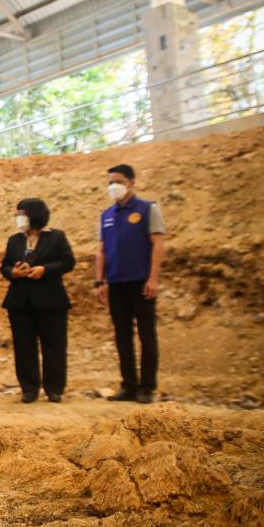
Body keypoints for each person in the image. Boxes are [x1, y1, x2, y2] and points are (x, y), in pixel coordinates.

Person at [95, 163, 165, 404]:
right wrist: (99, 281)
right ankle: (128, 385)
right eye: (110, 182)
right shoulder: (106, 216)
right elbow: (101, 250)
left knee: (147, 335)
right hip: (116, 283)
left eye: (118, 181)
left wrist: (154, 278)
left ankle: (147, 387)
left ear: (131, 182)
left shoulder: (148, 209)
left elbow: (157, 244)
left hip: (141, 282)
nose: (113, 186)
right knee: (122, 336)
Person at [0, 198, 75, 403]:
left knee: (55, 346)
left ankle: (54, 388)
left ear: (34, 214)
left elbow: (68, 261)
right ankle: (29, 388)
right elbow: (4, 266)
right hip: (20, 301)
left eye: (22, 213)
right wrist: (13, 272)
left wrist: (45, 270)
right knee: (23, 346)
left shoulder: (56, 237)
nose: (18, 217)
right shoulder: (15, 240)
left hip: (51, 299)